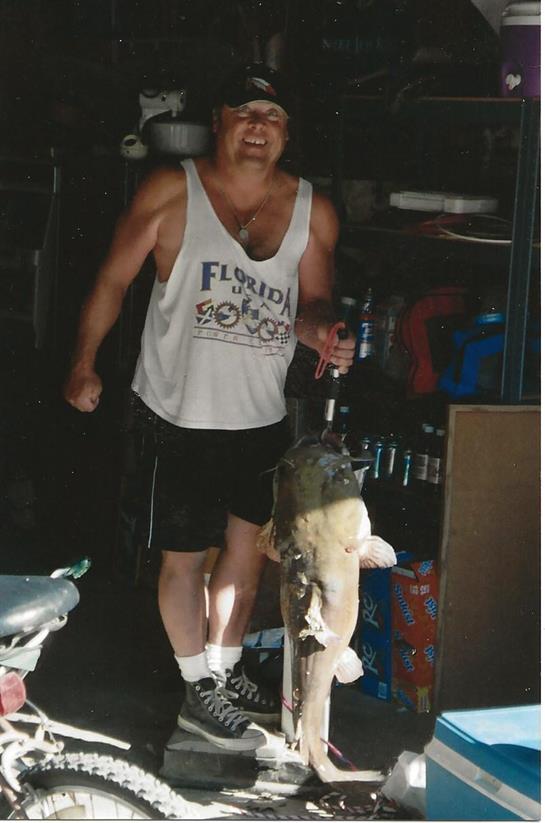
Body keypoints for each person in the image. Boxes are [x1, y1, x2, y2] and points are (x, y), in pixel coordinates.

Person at [63, 62, 356, 752]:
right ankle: (198, 687)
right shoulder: (171, 190)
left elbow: (313, 301)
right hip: (175, 410)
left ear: (287, 133)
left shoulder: (311, 209)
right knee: (182, 559)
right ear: (218, 122)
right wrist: (82, 363)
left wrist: (323, 332)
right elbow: (111, 280)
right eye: (245, 114)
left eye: (272, 118)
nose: (258, 128)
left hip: (256, 413)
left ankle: (221, 673)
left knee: (246, 558)